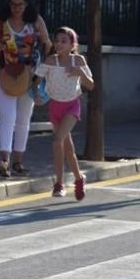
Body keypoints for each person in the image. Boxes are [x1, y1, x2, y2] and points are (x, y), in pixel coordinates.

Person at [0, 0, 52, 178]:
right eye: (13, 4)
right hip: (4, 74)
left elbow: (48, 44)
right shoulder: (0, 24)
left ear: (26, 4)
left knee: (23, 119)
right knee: (8, 117)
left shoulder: (36, 22)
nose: (16, 8)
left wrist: (45, 70)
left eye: (20, 4)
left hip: (30, 76)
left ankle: (18, 162)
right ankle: (4, 160)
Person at [35, 27, 94, 200]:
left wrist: (81, 73)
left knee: (57, 140)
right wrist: (36, 94)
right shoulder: (51, 61)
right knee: (68, 149)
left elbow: (91, 85)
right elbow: (36, 80)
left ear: (72, 44)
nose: (59, 44)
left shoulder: (78, 60)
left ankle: (59, 183)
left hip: (71, 106)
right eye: (57, 40)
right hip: (55, 107)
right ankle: (79, 178)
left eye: (64, 41)